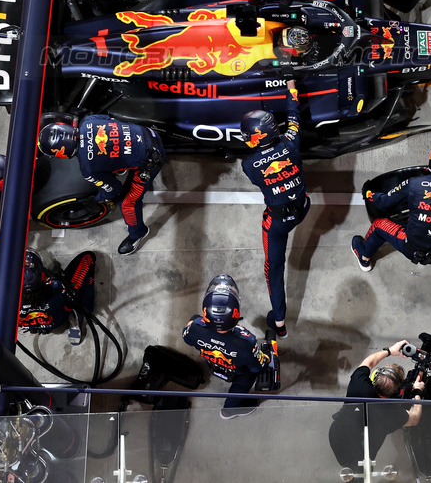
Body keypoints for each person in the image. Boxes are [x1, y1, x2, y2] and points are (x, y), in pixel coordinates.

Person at [37, 116, 164, 254]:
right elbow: (113, 121)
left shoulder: (89, 168)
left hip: (152, 159)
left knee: (127, 203)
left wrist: (97, 199)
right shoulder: (88, 120)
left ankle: (138, 233)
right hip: (149, 133)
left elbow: (115, 189)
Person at [239, 81, 306, 338]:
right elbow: (294, 117)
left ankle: (279, 323)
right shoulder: (291, 143)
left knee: (273, 269)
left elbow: (260, 179)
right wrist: (291, 89)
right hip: (302, 208)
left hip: (277, 222)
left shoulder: (249, 164)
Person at [350, 142, 431, 270]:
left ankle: (364, 259)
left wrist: (368, 193)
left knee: (378, 224)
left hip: (412, 248)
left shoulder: (414, 183)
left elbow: (384, 203)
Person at [181, 274, 271, 419]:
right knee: (249, 376)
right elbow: (258, 367)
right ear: (236, 315)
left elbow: (186, 336)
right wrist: (266, 357)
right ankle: (229, 410)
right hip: (235, 371)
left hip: (213, 364)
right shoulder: (247, 343)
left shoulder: (194, 329)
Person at [327, 340, 425, 470]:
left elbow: (369, 362)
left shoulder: (359, 385)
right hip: (363, 454)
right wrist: (417, 391)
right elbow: (415, 418)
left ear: (375, 378)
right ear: (396, 392)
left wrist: (390, 350)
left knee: (355, 468)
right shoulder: (391, 414)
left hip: (337, 437)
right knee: (364, 469)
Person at [17, 249, 98, 334]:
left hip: (37, 325)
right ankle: (79, 313)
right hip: (58, 319)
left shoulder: (6, 302)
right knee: (88, 257)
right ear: (42, 276)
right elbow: (66, 290)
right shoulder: (56, 286)